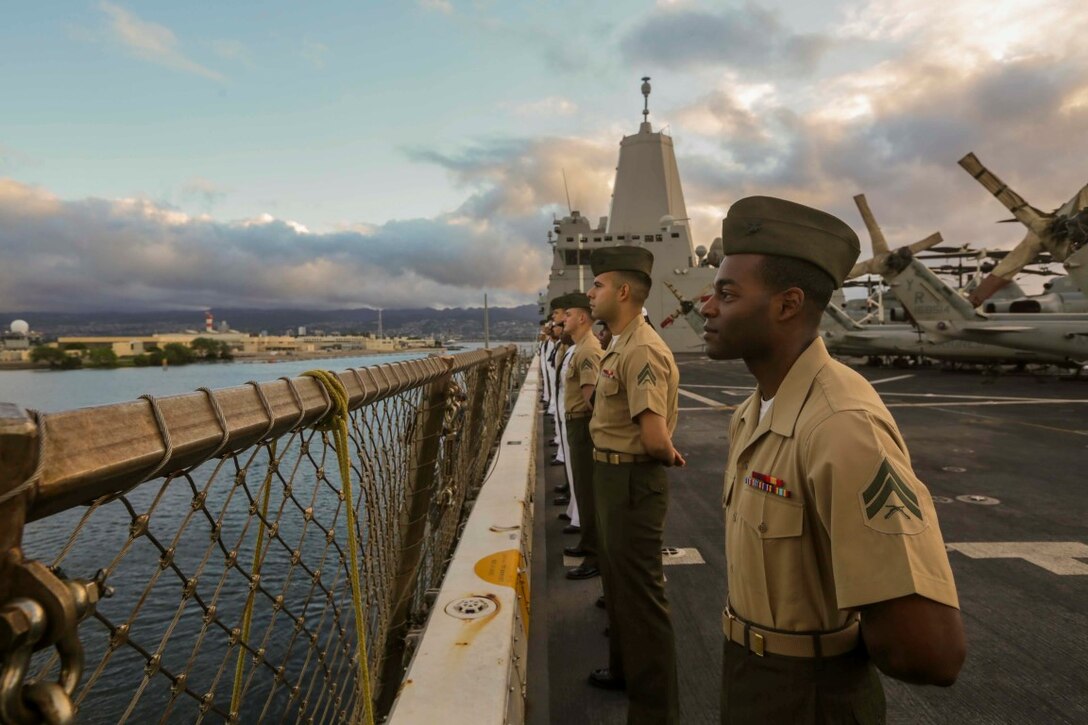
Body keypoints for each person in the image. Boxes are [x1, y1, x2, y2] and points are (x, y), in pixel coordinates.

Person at [698, 196, 965, 724]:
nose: (706, 307)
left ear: (787, 304)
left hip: (812, 697)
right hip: (750, 676)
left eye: (726, 294)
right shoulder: (754, 412)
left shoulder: (841, 426)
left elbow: (927, 649)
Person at [586, 245, 684, 725]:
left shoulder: (641, 347)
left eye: (599, 284)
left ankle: (654, 714)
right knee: (620, 587)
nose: (591, 292)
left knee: (641, 602)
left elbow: (653, 436)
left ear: (623, 291)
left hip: (629, 479)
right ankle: (626, 671)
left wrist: (668, 454)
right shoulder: (621, 343)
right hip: (611, 476)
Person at [557, 291, 605, 580]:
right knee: (583, 490)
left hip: (584, 426)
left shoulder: (588, 350)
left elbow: (592, 400)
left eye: (569, 314)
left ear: (583, 318)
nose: (564, 319)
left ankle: (595, 556)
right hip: (575, 424)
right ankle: (588, 544)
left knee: (587, 492)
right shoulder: (580, 348)